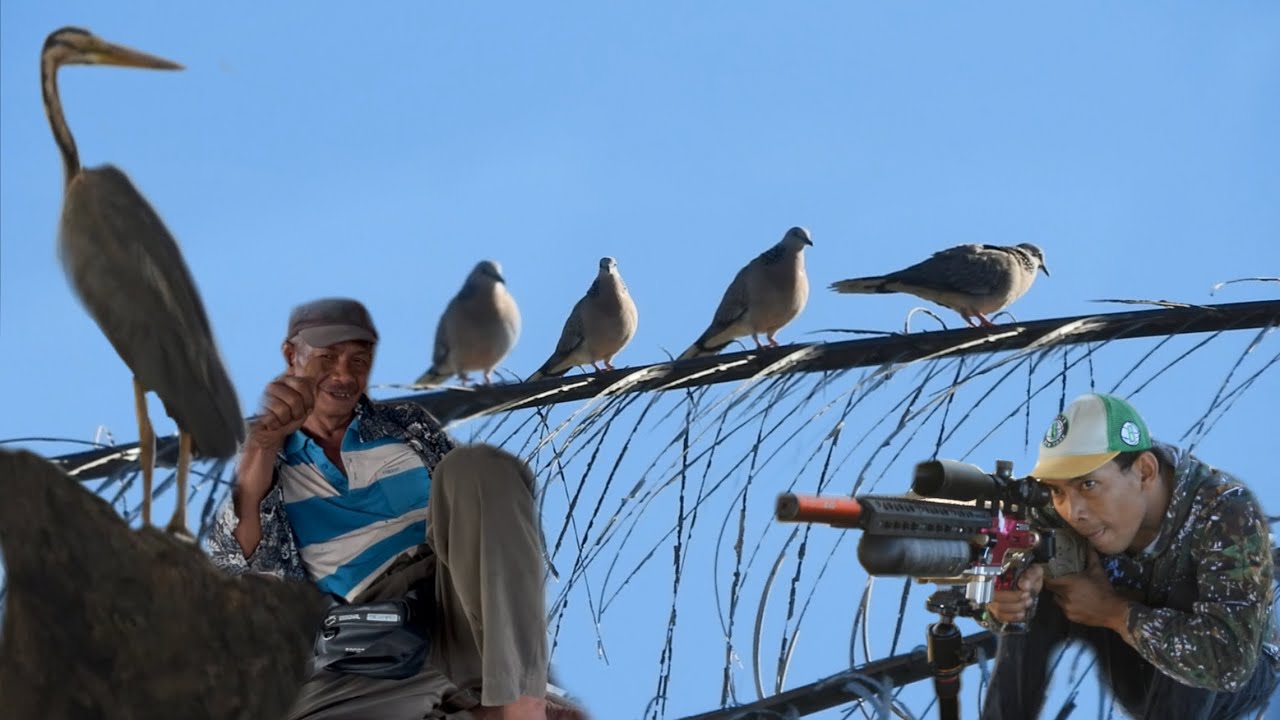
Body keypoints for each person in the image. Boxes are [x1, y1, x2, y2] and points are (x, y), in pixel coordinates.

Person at [206, 297, 577, 720]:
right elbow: (238, 562)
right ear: (292, 355)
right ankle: (473, 707)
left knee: (479, 468)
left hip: (458, 589)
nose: (344, 375)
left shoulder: (406, 424)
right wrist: (263, 445)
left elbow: (486, 513)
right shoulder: (272, 463)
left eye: (358, 360)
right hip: (378, 633)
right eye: (327, 358)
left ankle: (520, 705)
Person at [979, 392, 1280, 719]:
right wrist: (1003, 603)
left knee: (1186, 595)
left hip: (1229, 679)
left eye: (1089, 485)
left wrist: (1111, 611)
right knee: (1045, 578)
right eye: (1057, 490)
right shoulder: (1062, 512)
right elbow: (1001, 589)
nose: (1073, 511)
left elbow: (1229, 663)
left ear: (1145, 472)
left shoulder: (1226, 511)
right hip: (1136, 669)